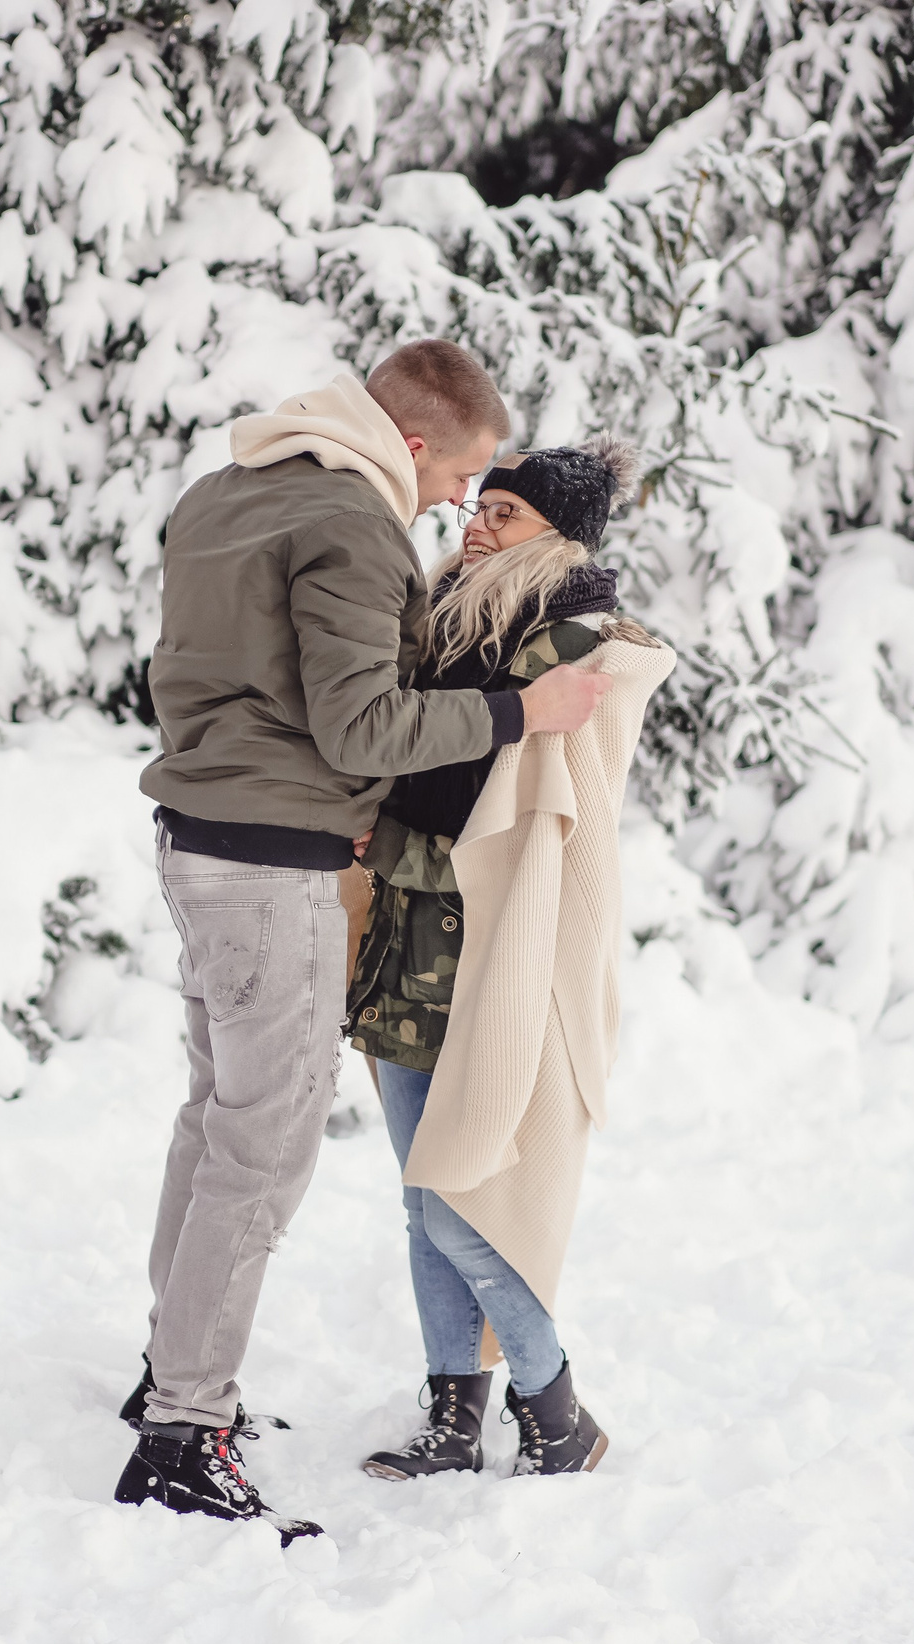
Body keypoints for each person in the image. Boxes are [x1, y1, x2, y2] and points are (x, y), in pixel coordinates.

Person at [113, 342, 613, 1537]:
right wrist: (518, 711)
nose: (454, 509)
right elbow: (360, 723)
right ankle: (185, 1434)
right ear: (419, 441)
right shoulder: (351, 518)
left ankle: (167, 1380)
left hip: (199, 840)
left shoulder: (225, 491)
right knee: (262, 1151)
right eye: (465, 478)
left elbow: (200, 674)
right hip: (268, 863)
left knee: (213, 1122)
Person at [346, 439, 674, 1482]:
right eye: (476, 506)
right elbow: (400, 754)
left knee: (457, 1189)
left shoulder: (577, 637)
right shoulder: (445, 625)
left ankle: (552, 1403)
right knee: (419, 1191)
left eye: (505, 514)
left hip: (497, 946)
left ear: (560, 537)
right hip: (410, 933)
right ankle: (454, 1414)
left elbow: (454, 795)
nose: (475, 524)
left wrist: (394, 780)